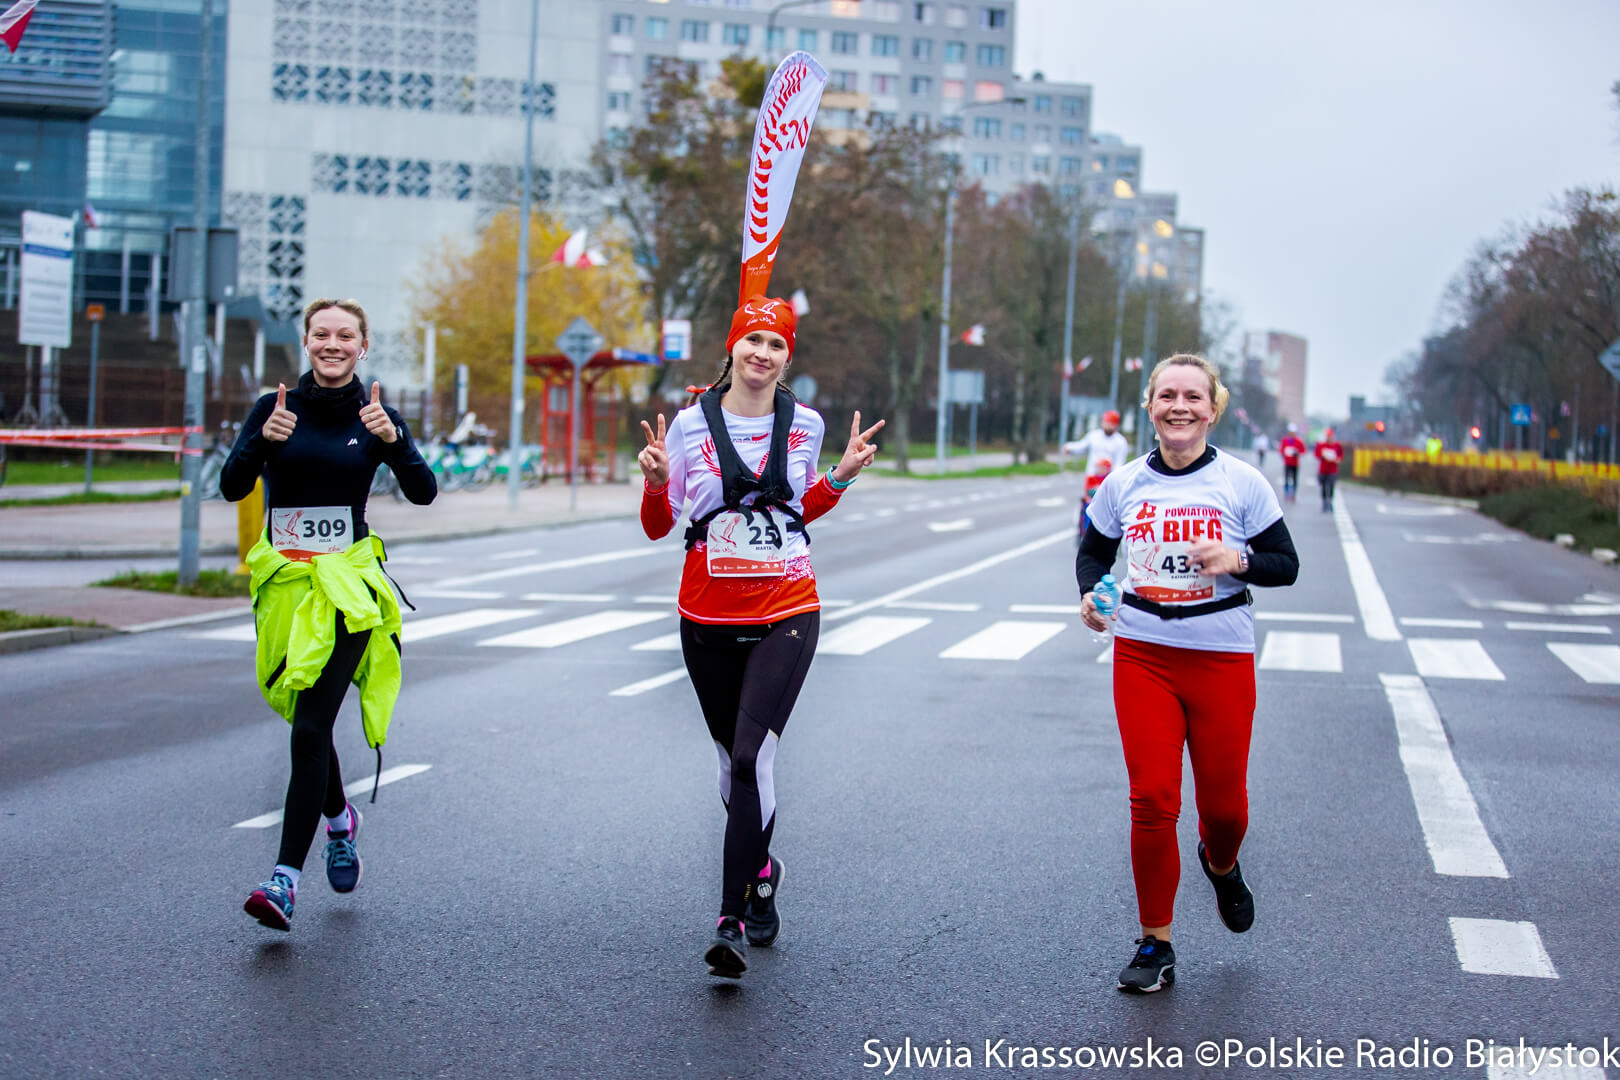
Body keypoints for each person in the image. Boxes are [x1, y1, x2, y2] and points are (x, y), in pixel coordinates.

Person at [637, 295, 883, 979]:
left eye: (777, 345)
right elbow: (658, 525)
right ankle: (762, 869)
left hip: (786, 608)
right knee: (729, 765)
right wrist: (655, 484)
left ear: (787, 357)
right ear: (733, 347)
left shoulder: (805, 423)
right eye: (753, 341)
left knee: (751, 760)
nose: (763, 354)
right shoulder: (689, 425)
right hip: (708, 617)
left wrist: (840, 476)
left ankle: (731, 918)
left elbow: (797, 509)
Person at [1075, 353, 1299, 993]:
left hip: (1221, 659)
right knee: (1152, 799)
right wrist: (1091, 594)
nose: (1179, 406)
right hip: (1143, 655)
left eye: (1193, 397)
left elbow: (1285, 564)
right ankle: (1156, 943)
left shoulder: (1242, 483)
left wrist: (1238, 559)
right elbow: (1093, 552)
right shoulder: (1123, 484)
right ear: (1149, 407)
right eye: (1167, 395)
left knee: (1226, 810)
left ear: (1212, 409)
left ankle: (1220, 864)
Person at [221, 297, 437, 931]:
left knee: (312, 724)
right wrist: (259, 443)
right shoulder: (275, 408)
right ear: (307, 342)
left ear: (362, 346)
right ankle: (341, 821)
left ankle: (283, 881)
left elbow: (424, 492)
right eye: (322, 334)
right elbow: (232, 487)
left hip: (347, 590)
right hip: (287, 587)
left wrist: (394, 441)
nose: (332, 344)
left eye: (345, 335)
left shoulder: (374, 415)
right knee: (304, 718)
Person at [1062, 409, 1131, 535]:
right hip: (1092, 477)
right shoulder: (1094, 436)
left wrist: (1113, 478)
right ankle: (1084, 527)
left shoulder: (1120, 442)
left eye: (1111, 424)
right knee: (1089, 502)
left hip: (1108, 479)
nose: (1108, 426)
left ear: (1116, 425)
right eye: (1106, 423)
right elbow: (1082, 446)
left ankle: (1106, 530)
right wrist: (1069, 447)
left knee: (1106, 506)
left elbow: (1119, 463)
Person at [1313, 426, 1344, 512]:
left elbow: (1340, 456)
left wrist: (1338, 460)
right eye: (1327, 436)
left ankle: (1330, 502)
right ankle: (1324, 503)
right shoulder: (1321, 445)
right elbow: (1317, 455)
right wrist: (1322, 456)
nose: (1329, 438)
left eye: (1330, 436)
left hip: (1332, 470)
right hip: (1323, 470)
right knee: (1323, 487)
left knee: (1331, 487)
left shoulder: (1337, 445)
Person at [1277, 425, 1305, 503]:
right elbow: (1281, 450)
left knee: (1295, 479)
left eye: (1293, 432)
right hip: (1287, 463)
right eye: (1291, 432)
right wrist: (1284, 454)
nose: (1292, 434)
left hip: (1295, 464)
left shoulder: (1299, 441)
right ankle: (1286, 493)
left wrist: (1297, 453)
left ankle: (1293, 494)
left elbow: (1303, 451)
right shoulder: (1285, 441)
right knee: (1286, 479)